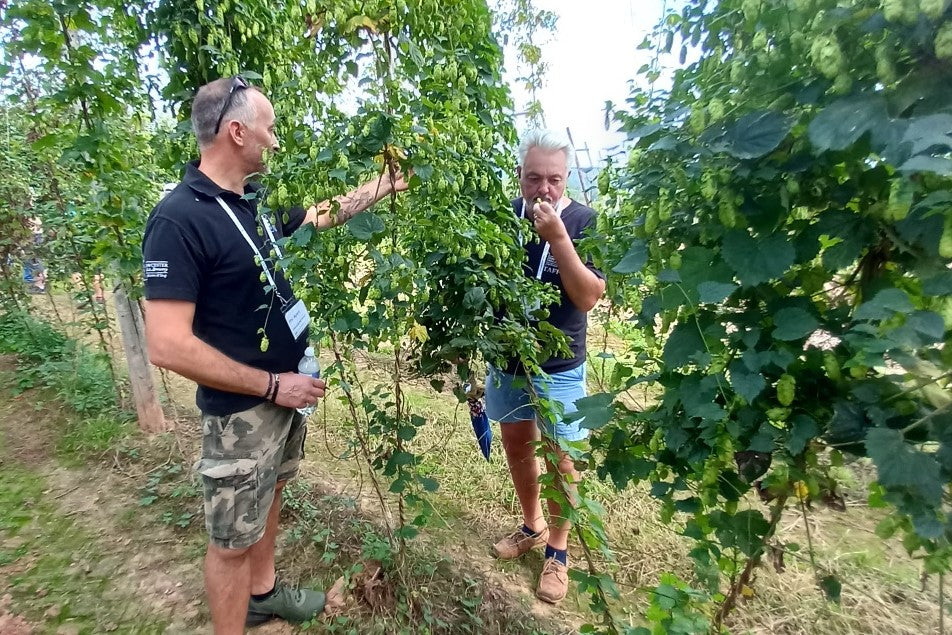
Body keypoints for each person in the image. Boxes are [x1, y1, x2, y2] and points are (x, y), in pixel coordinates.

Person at [142, 76, 408, 634]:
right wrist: (269, 385)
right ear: (236, 132)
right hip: (243, 411)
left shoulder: (248, 205)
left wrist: (383, 184)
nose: (276, 141)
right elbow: (166, 344)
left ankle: (262, 596)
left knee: (270, 497)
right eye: (270, 129)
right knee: (231, 542)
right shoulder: (178, 219)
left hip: (284, 395)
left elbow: (318, 216)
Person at [485, 129, 605, 604]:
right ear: (520, 176)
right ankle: (531, 525)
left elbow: (588, 296)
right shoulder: (504, 218)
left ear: (567, 178)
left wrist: (557, 237)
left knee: (559, 456)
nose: (543, 189)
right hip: (507, 359)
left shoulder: (583, 221)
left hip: (558, 365)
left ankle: (558, 550)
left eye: (553, 179)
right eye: (533, 178)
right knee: (517, 443)